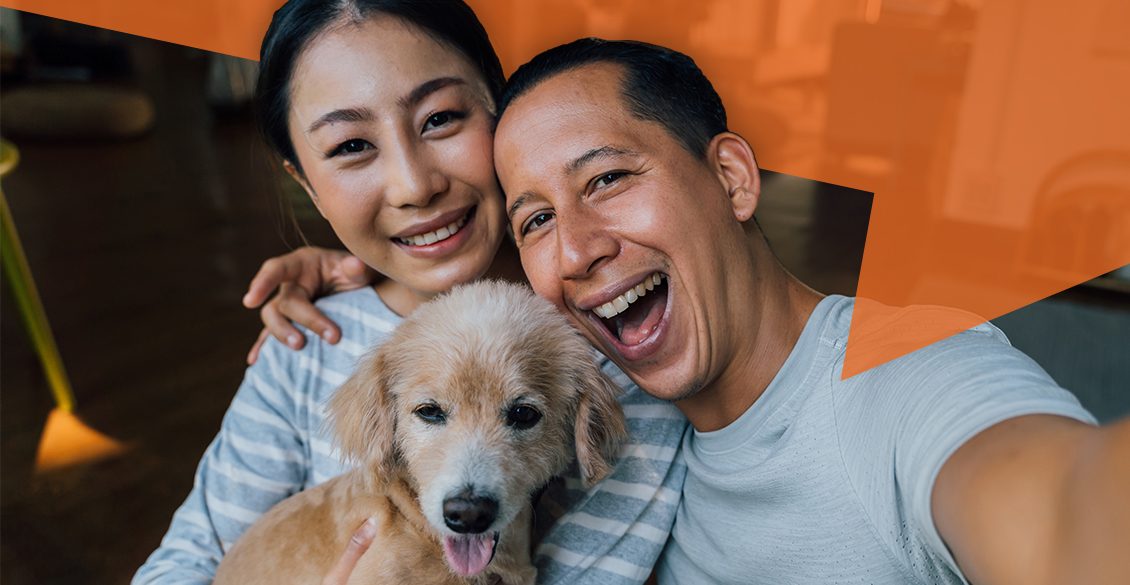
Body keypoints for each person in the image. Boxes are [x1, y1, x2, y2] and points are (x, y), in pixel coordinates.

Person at [261, 38, 1130, 584]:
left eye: (607, 178)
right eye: (534, 220)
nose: (578, 248)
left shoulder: (905, 372)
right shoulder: (580, 377)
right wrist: (348, 269)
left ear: (733, 177)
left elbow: (1064, 506)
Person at [133, 4, 687, 584]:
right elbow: (183, 562)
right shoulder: (299, 348)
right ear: (305, 183)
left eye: (441, 117)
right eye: (350, 145)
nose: (414, 185)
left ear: (502, 112)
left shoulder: (614, 355)